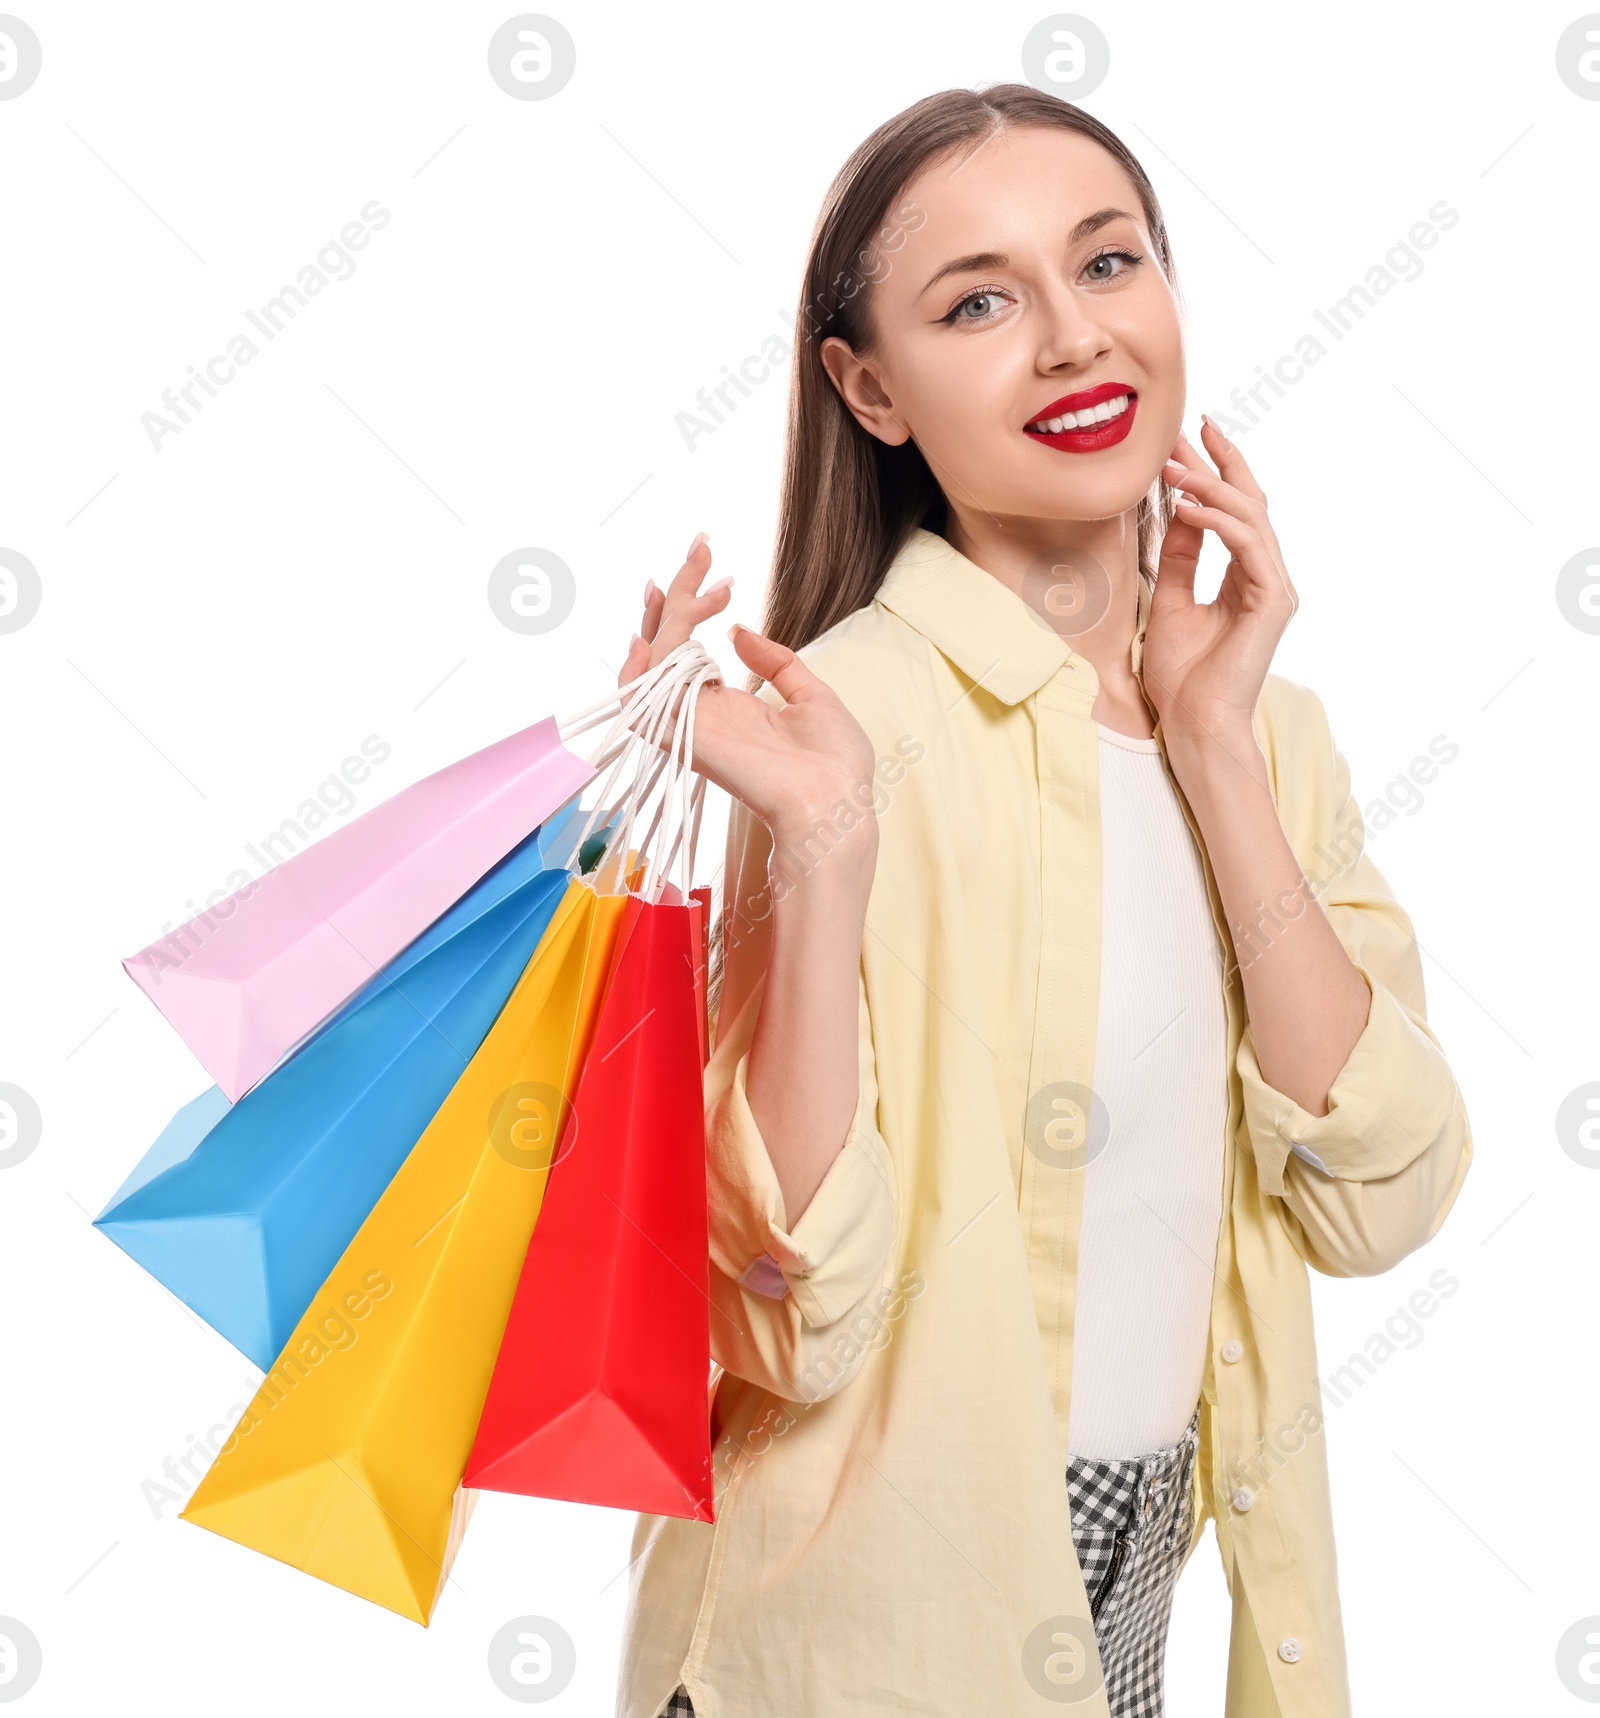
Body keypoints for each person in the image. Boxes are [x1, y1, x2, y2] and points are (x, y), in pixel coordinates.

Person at [609, 83, 1472, 1718]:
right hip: (858, 1637)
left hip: (1134, 1593)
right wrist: (826, 851)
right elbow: (796, 1315)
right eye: (980, 302)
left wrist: (1212, 754)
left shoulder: (1268, 733)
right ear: (867, 389)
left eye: (1110, 263)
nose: (1074, 340)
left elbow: (1388, 1194)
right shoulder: (840, 725)